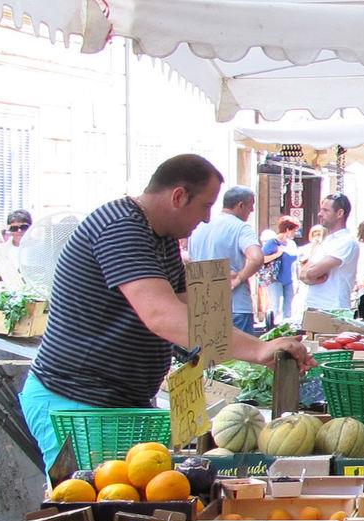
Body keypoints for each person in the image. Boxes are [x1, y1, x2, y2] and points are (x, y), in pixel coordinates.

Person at [21, 155, 308, 471]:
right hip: (76, 402)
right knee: (87, 496)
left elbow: (192, 313)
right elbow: (162, 315)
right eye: (205, 206)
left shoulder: (160, 236)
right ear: (178, 196)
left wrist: (263, 348)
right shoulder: (121, 227)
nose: (207, 218)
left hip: (115, 404)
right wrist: (257, 349)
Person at [187, 185, 265, 335]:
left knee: (209, 350)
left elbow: (190, 261)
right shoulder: (241, 228)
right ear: (240, 205)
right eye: (251, 206)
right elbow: (256, 258)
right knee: (240, 350)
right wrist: (239, 278)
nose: (252, 211)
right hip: (235, 305)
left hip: (204, 305)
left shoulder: (198, 228)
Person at [296, 194, 360, 315]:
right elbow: (303, 274)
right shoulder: (326, 241)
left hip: (333, 309)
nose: (320, 214)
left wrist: (310, 274)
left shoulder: (347, 242)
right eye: (321, 210)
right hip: (314, 306)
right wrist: (309, 275)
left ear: (340, 213)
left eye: (325, 210)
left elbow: (311, 272)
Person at [260, 218, 299, 326]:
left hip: (289, 279)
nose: (295, 233)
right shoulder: (272, 242)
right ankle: (272, 328)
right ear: (287, 230)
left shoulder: (291, 244)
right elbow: (261, 259)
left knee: (288, 309)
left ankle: (287, 329)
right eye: (294, 230)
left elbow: (295, 262)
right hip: (275, 279)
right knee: (276, 307)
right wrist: (277, 254)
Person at [0, 210, 31, 289]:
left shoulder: (40, 249)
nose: (19, 231)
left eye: (23, 227)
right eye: (14, 228)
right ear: (9, 229)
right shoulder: (0, 251)